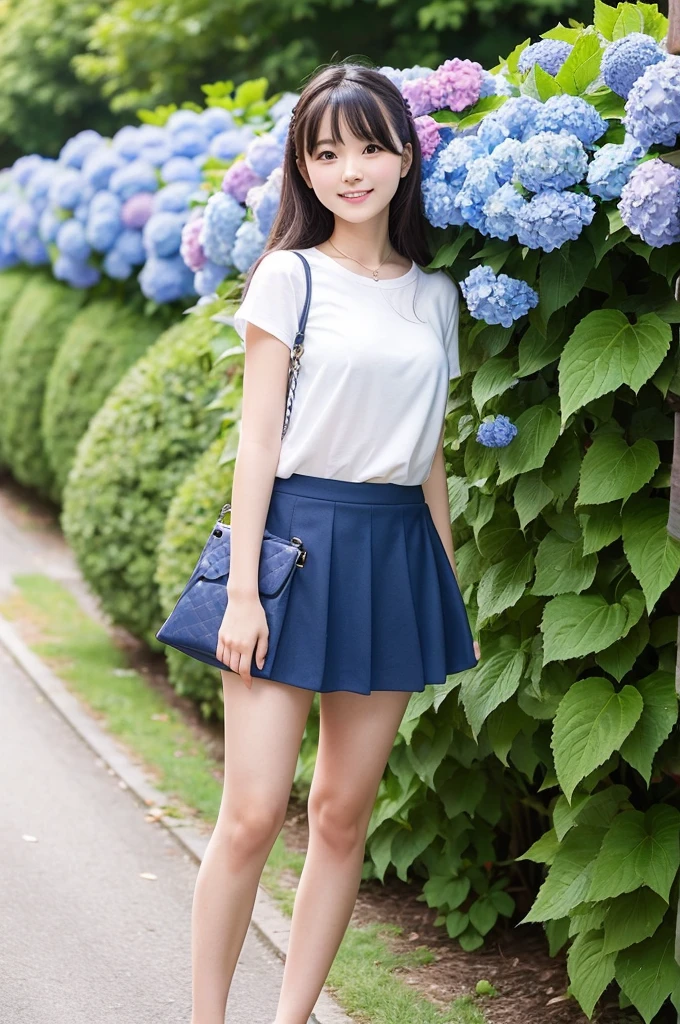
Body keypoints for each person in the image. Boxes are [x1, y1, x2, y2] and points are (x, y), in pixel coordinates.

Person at [190, 59, 481, 1024]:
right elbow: (259, 438)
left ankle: (293, 1017)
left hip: (394, 551)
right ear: (304, 173)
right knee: (252, 813)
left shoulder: (435, 296)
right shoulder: (289, 276)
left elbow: (429, 450)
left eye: (369, 145)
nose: (351, 168)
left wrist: (437, 572)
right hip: (292, 549)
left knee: (343, 815)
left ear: (405, 155)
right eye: (327, 151)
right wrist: (240, 590)